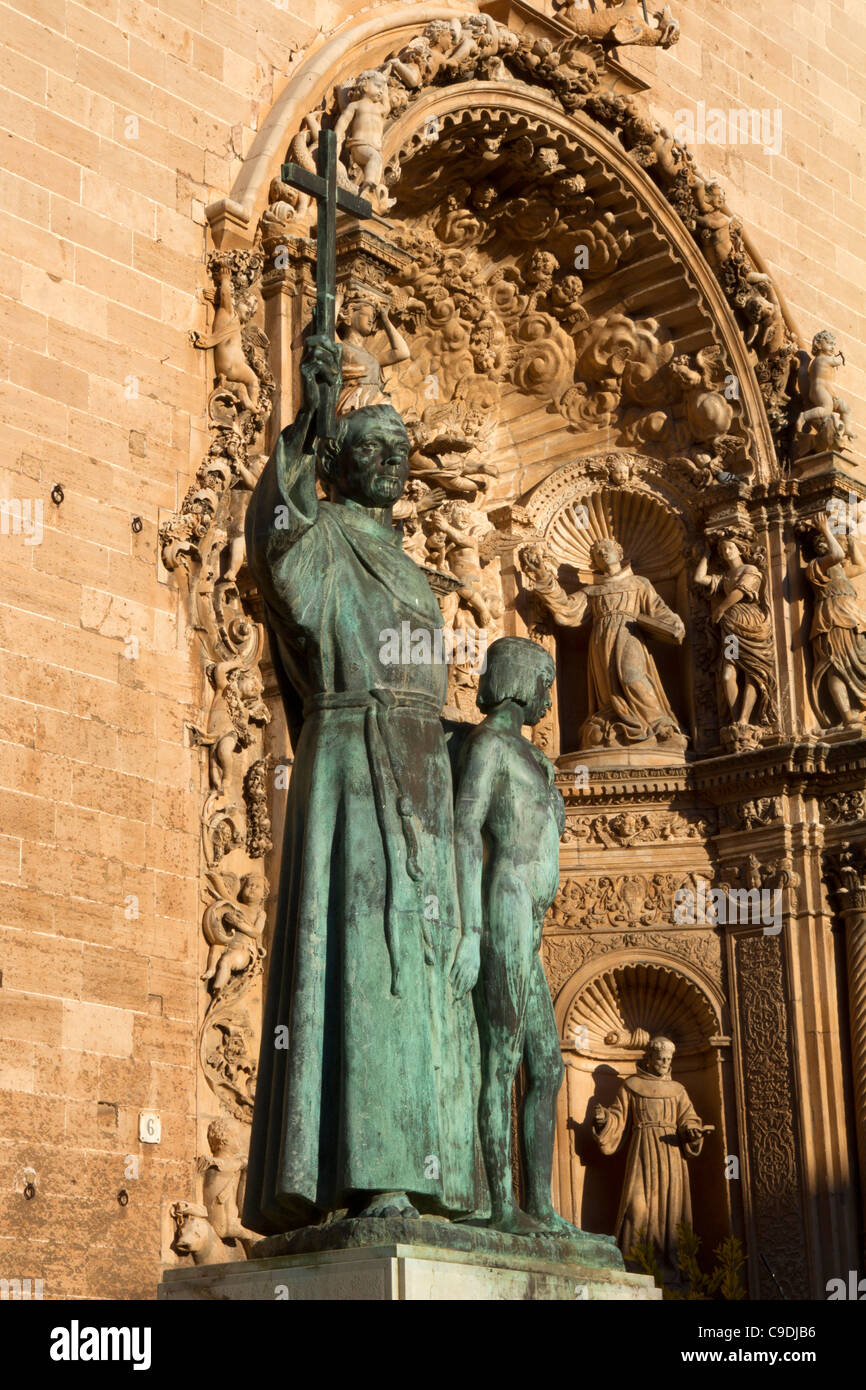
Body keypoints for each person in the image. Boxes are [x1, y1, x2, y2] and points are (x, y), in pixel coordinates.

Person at [241, 334, 479, 1233]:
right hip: (350, 756)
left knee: (421, 971)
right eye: (370, 450)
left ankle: (432, 1175)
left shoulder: (415, 566)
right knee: (364, 959)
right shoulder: (327, 532)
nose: (391, 464)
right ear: (339, 465)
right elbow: (278, 533)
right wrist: (307, 417)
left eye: (401, 453)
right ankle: (366, 1169)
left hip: (421, 769)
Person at [453, 637, 575, 1235]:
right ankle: (502, 1206)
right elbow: (462, 828)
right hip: (502, 904)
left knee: (547, 1069)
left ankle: (543, 1207)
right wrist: (470, 933)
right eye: (545, 684)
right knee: (501, 1061)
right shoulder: (490, 745)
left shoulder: (532, 759)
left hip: (532, 919)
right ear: (521, 680)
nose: (550, 698)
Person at [591, 1036, 710, 1275]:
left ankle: (671, 1268)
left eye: (669, 1059)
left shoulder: (678, 1090)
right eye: (661, 1058)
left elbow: (689, 1118)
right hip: (643, 1150)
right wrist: (604, 1120)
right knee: (637, 1207)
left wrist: (692, 1131)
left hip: (671, 1153)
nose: (665, 1063)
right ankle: (633, 1262)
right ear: (650, 1058)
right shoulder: (631, 1085)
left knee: (671, 1213)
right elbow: (618, 1117)